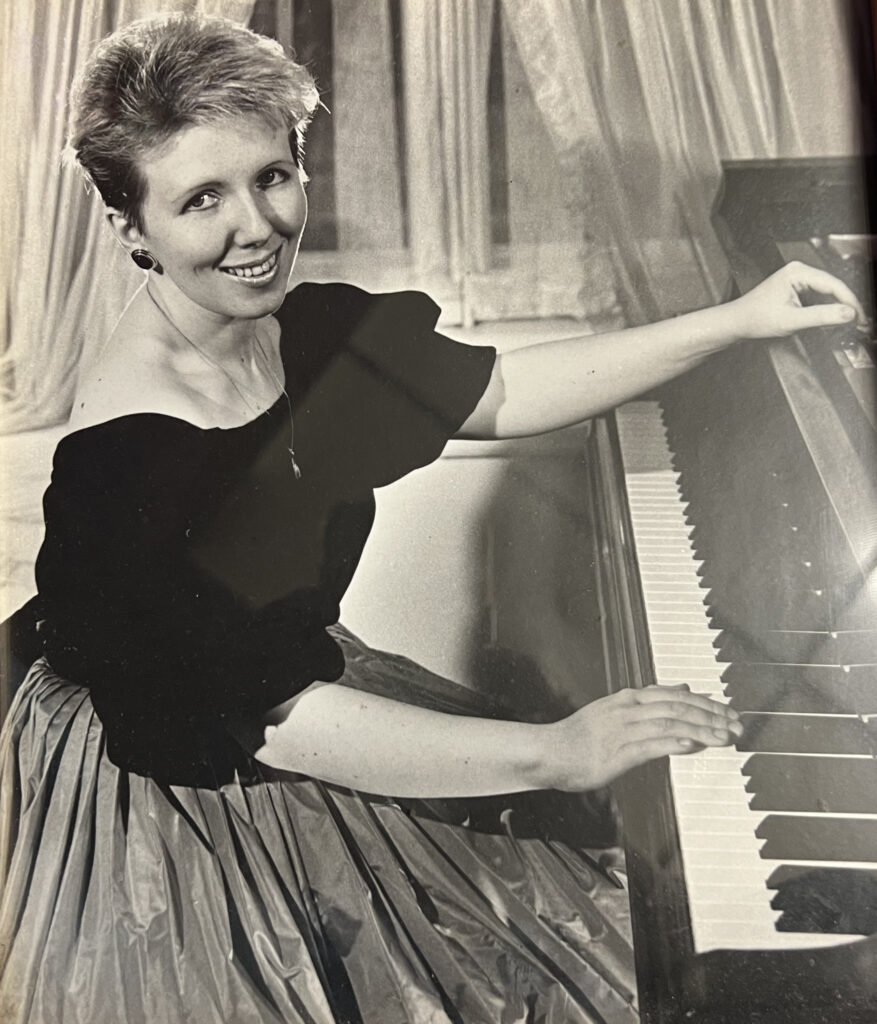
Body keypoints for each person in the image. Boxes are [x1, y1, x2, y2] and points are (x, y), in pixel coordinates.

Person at [0, 12, 865, 1024]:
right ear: (130, 227)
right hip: (189, 769)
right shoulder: (130, 459)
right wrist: (559, 749)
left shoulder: (292, 330)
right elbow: (267, 721)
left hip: (282, 689)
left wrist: (739, 318)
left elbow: (499, 390)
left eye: (272, 176)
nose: (257, 227)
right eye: (201, 199)